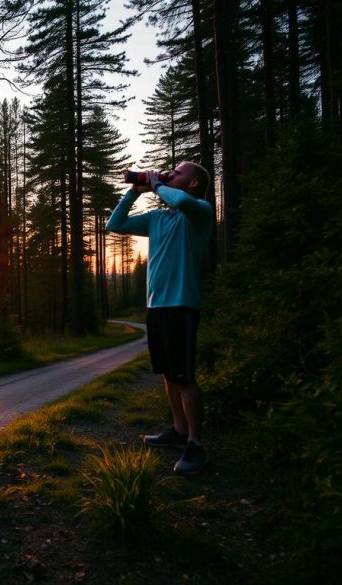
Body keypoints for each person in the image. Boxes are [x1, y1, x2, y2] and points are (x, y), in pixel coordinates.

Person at [106, 162, 214, 475]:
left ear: (193, 183)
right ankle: (179, 430)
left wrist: (156, 185)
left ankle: (196, 444)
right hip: (156, 307)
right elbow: (115, 224)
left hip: (182, 305)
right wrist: (133, 192)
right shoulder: (158, 219)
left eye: (178, 172)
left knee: (184, 375)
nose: (170, 173)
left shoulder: (199, 212)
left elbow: (179, 201)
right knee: (168, 373)